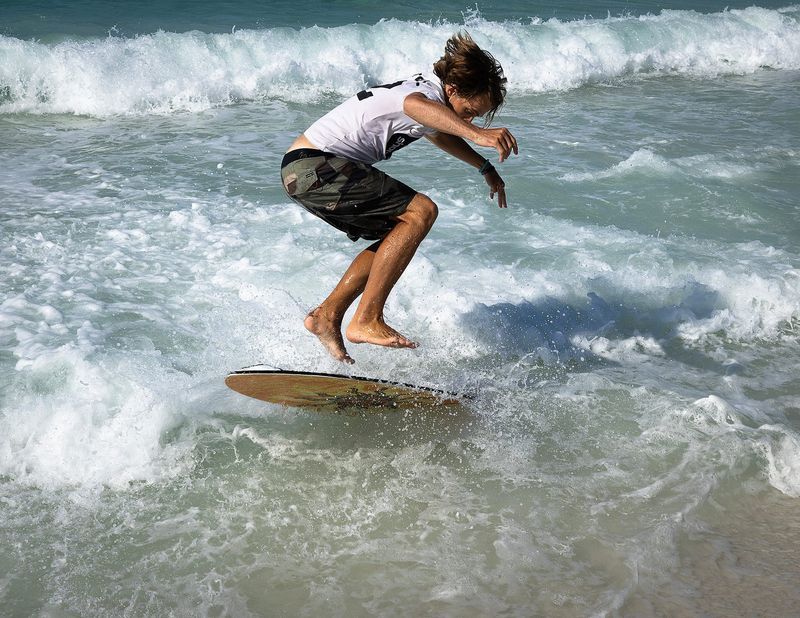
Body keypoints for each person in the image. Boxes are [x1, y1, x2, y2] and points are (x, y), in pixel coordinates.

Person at [281, 32, 518, 364]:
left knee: (398, 232)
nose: (469, 120)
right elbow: (416, 109)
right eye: (469, 111)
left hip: (305, 171)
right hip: (315, 165)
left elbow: (438, 132)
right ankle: (366, 319)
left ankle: (326, 316)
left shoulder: (431, 98)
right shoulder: (420, 95)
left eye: (476, 118)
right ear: (452, 90)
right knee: (422, 211)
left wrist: (484, 167)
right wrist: (479, 135)